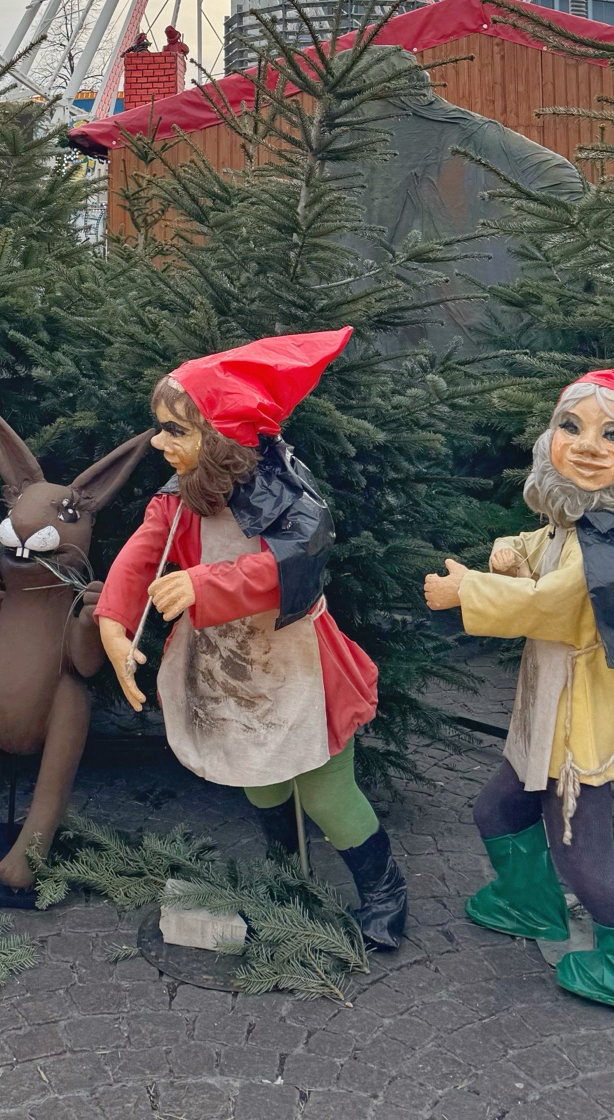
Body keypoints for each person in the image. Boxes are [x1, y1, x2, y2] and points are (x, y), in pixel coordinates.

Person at [424, 354, 614, 1016]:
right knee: (498, 809)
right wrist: (512, 549)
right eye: (572, 427)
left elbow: (554, 602)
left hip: (581, 718)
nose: (588, 446)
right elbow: (550, 546)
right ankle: (528, 903)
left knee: (582, 849)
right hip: (549, 708)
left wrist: (463, 590)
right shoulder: (589, 519)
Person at [94, 329, 407, 949]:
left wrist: (206, 585)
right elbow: (140, 557)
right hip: (230, 669)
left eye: (175, 431)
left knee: (326, 790)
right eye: (159, 427)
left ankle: (384, 890)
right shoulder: (179, 496)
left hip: (298, 669)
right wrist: (113, 622)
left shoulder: (290, 496)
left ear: (221, 434)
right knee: (259, 776)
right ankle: (289, 880)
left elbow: (295, 561)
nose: (158, 442)